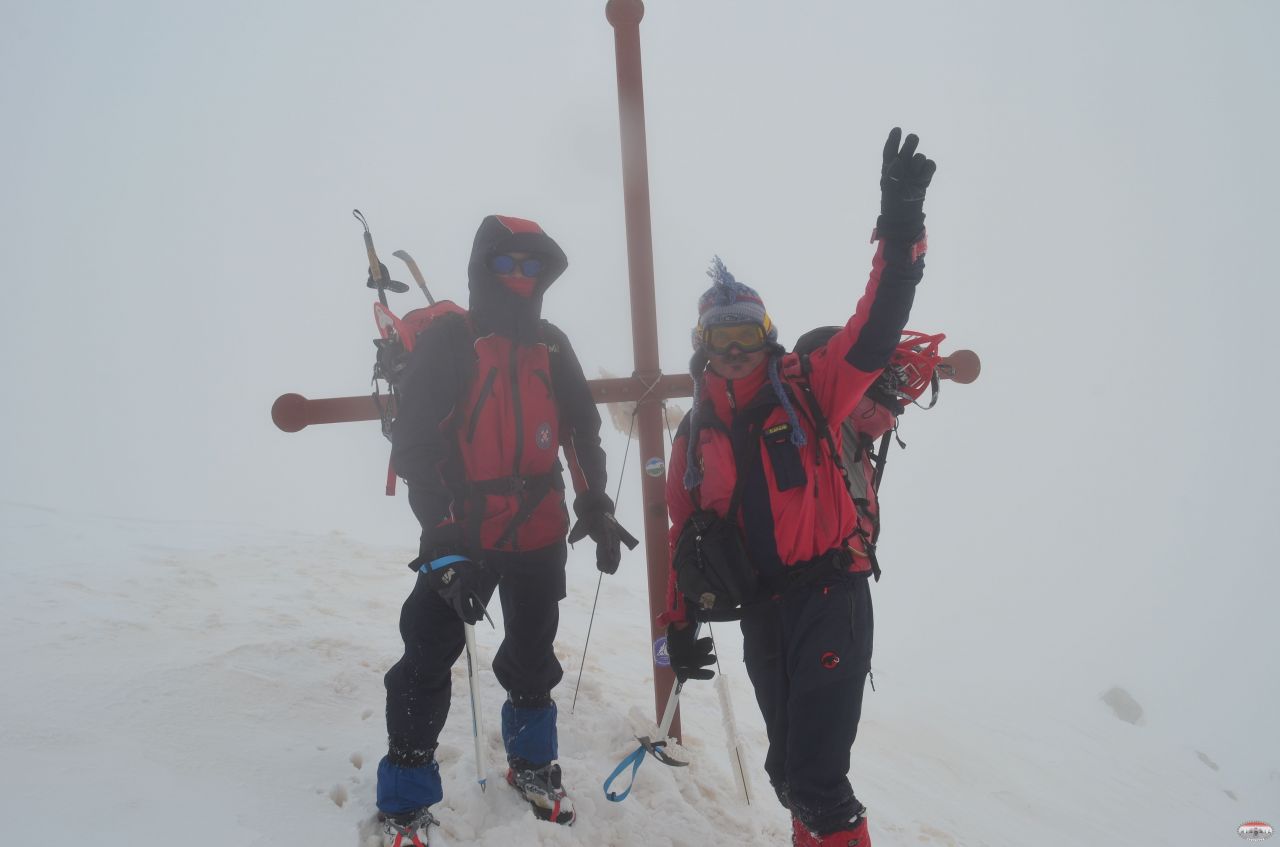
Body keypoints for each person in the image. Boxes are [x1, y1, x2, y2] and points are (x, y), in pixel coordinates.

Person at [661, 128, 936, 847]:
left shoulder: (811, 387)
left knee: (815, 778)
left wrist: (900, 224)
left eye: (747, 334)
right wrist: (678, 625)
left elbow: (875, 327)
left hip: (831, 596)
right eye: (719, 339)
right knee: (790, 774)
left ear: (770, 335)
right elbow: (681, 536)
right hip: (763, 613)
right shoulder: (693, 439)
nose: (734, 351)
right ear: (702, 347)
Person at [375, 214, 625, 845]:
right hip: (465, 532)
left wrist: (595, 503)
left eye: (531, 266)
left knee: (534, 655)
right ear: (484, 267)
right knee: (429, 655)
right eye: (507, 264)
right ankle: (405, 802)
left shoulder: (554, 344)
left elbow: (581, 429)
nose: (519, 277)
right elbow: (414, 447)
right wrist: (441, 535)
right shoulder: (451, 341)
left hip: (539, 530)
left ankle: (533, 766)